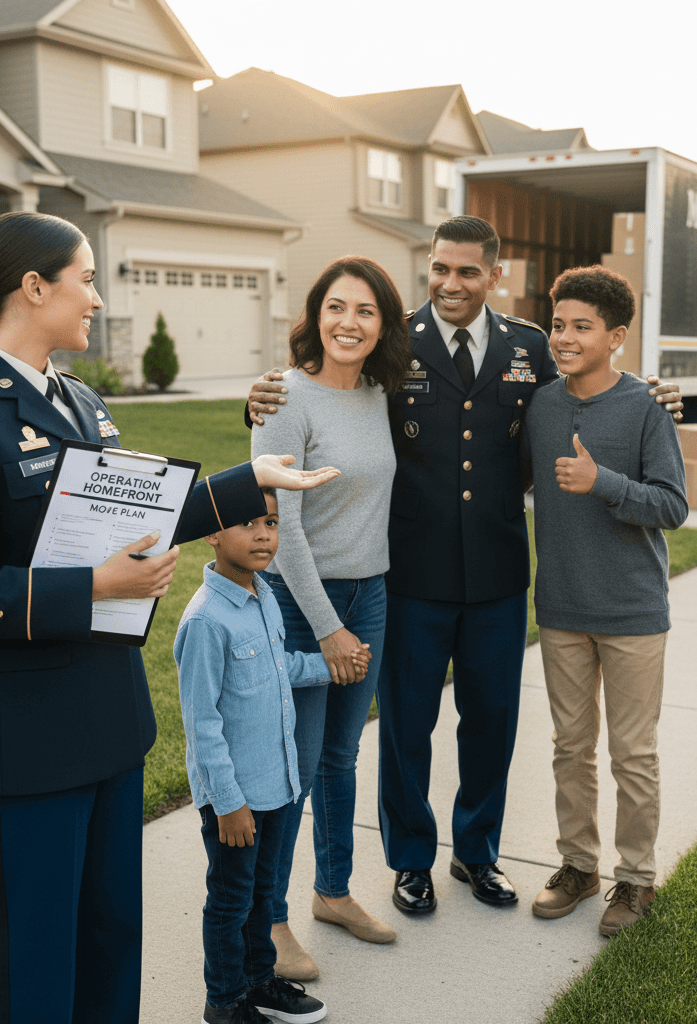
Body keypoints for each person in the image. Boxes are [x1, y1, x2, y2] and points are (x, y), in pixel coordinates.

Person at [0, 210, 341, 1024]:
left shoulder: (82, 401)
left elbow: (131, 523)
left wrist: (248, 481)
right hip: (22, 737)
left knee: (108, 945)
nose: (98, 298)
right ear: (34, 287)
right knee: (32, 964)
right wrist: (94, 586)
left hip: (107, 722)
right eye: (86, 278)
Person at [248, 216, 683, 916]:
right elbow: (331, 389)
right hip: (410, 574)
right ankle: (411, 860)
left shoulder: (532, 346)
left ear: (493, 275)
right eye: (440, 270)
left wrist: (652, 395)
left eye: (467, 272)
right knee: (407, 725)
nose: (451, 284)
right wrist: (263, 395)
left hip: (499, 576)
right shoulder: (394, 339)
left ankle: (477, 853)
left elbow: (591, 389)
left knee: (491, 722)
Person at [249, 256, 410, 980]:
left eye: (367, 311)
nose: (350, 322)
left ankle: (334, 891)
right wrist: (327, 628)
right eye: (337, 307)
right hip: (297, 602)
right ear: (316, 314)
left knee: (342, 758)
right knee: (295, 766)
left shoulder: (379, 393)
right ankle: (272, 920)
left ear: (383, 326)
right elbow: (284, 530)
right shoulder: (285, 397)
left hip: (368, 594)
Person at [524, 266, 687, 935]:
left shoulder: (646, 408)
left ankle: (637, 879)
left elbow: (673, 505)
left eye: (580, 327)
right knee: (570, 747)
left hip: (632, 613)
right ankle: (578, 865)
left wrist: (603, 482)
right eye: (558, 324)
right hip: (561, 609)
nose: (563, 337)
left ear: (616, 337)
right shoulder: (541, 406)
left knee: (633, 754)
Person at [176, 489, 370, 1024]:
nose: (264, 535)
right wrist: (227, 803)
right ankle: (225, 1003)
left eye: (272, 522)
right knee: (231, 900)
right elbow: (202, 725)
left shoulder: (263, 596)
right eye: (247, 524)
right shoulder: (205, 621)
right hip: (236, 799)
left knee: (264, 893)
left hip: (278, 783)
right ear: (213, 533)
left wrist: (329, 667)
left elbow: (276, 670)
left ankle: (260, 981)